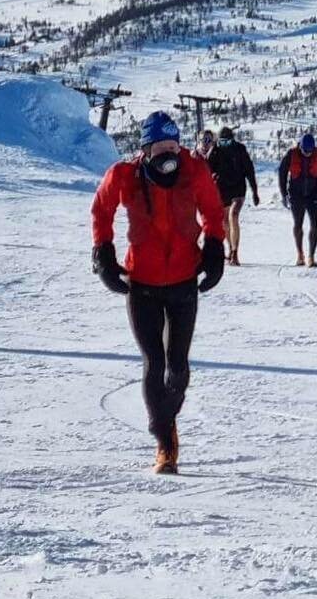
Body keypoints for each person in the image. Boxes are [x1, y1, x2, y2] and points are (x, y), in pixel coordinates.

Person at [90, 110, 227, 474]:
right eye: (161, 147)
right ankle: (166, 443)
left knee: (178, 368)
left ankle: (163, 419)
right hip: (143, 284)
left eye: (174, 145)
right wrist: (103, 254)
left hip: (183, 280)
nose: (170, 154)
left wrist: (215, 249)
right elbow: (101, 210)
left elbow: (214, 211)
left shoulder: (194, 170)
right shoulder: (125, 175)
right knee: (154, 364)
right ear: (146, 149)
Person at [278, 132, 317, 267]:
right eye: (305, 151)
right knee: (298, 223)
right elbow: (282, 174)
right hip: (296, 193)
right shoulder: (291, 154)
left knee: (314, 224)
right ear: (300, 146)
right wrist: (284, 194)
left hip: (313, 193)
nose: (308, 153)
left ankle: (311, 256)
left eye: (310, 151)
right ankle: (300, 254)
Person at [209, 125, 260, 264]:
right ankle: (230, 248)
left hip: (238, 188)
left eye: (228, 142)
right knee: (225, 221)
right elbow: (207, 170)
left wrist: (255, 192)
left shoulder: (239, 149)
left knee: (234, 215)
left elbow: (249, 171)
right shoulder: (215, 151)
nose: (225, 144)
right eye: (222, 142)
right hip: (222, 189)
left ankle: (235, 251)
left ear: (232, 140)